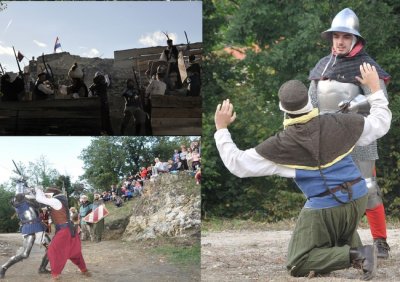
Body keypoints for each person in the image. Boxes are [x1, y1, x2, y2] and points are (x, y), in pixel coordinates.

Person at [214, 64, 391, 280]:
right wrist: (374, 89)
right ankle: (352, 249)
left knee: (298, 262)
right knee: (332, 219)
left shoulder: (282, 144)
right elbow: (381, 122)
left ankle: (359, 254)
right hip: (359, 199)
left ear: (283, 108)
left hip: (328, 206)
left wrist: (221, 129)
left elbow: (237, 164)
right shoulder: (340, 122)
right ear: (309, 101)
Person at [308, 8, 391, 259]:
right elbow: (312, 100)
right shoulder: (323, 65)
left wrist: (354, 105)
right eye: (336, 37)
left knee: (368, 188)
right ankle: (336, 239)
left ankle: (380, 241)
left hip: (359, 134)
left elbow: (380, 99)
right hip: (329, 136)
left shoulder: (366, 66)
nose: (340, 42)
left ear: (355, 39)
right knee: (330, 188)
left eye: (345, 37)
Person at [35, 187, 91, 280]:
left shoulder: (56, 201)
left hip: (64, 231)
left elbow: (39, 199)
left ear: (52, 195)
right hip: (67, 230)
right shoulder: (59, 201)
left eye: (47, 194)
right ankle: (84, 269)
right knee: (74, 252)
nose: (46, 196)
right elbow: (40, 202)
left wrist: (38, 189)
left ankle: (56, 274)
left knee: (53, 251)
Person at [0, 182, 51, 279]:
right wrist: (21, 182)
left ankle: (42, 268)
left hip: (39, 228)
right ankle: (3, 267)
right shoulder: (19, 202)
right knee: (24, 254)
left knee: (51, 248)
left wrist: (35, 190)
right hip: (29, 229)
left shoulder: (33, 202)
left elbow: (42, 203)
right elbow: (19, 195)